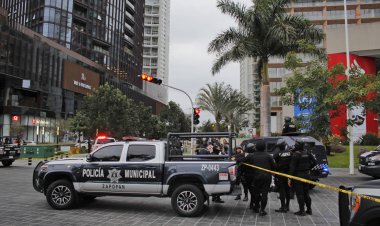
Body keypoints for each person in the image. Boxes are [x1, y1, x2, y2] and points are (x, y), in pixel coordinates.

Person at [243, 140, 276, 216]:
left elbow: (244, 163)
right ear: (264, 147)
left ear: (256, 147)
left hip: (256, 177)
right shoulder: (269, 156)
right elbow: (274, 167)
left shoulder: (252, 155)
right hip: (267, 177)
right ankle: (262, 210)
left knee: (256, 193)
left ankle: (256, 207)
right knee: (265, 193)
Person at [289, 139, 317, 216]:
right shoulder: (307, 152)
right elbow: (314, 162)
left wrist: (289, 177)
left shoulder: (295, 155)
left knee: (300, 194)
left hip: (298, 176)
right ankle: (309, 209)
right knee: (306, 193)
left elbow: (292, 167)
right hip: (307, 175)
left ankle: (302, 211)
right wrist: (308, 168)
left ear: (297, 145)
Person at [273, 139, 292, 213]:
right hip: (288, 174)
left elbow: (273, 160)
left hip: (280, 174)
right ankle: (287, 206)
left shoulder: (278, 152)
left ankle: (283, 207)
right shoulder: (290, 152)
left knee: (282, 191)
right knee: (288, 190)